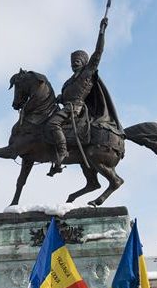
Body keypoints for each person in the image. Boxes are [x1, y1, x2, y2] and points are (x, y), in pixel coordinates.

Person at [44, 15, 113, 176]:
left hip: (75, 109)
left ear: (84, 62)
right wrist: (58, 98)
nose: (74, 63)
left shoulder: (87, 73)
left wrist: (101, 31)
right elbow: (64, 97)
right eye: (73, 61)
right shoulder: (68, 81)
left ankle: (62, 152)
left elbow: (98, 52)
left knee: (52, 124)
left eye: (78, 60)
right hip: (66, 107)